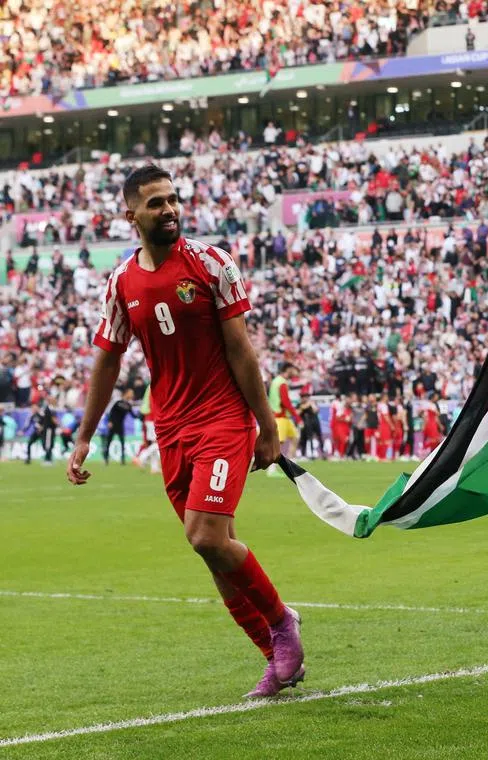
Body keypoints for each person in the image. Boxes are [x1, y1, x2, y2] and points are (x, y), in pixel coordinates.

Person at [66, 164, 305, 699]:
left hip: (222, 418)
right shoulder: (121, 282)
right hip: (171, 430)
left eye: (173, 199)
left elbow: (242, 351)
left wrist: (266, 427)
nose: (169, 209)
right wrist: (85, 435)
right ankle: (275, 657)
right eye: (155, 203)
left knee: (205, 536)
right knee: (214, 552)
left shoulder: (211, 262)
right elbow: (106, 362)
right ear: (131, 215)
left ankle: (284, 623)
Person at [268, 363, 302, 468]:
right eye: (293, 369)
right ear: (288, 369)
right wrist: (297, 417)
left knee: (295, 437)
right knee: (279, 443)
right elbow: (285, 402)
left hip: (281, 416)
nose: (295, 372)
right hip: (280, 416)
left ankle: (291, 464)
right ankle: (271, 468)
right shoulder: (282, 383)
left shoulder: (275, 381)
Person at [103, 389, 137, 465]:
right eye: (131, 393)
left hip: (120, 426)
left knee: (122, 442)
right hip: (113, 424)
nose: (132, 395)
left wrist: (142, 415)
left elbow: (133, 415)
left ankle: (122, 460)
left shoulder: (128, 405)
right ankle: (106, 459)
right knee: (109, 442)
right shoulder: (118, 402)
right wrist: (110, 421)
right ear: (126, 393)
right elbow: (111, 412)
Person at [25, 400, 56, 465]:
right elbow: (28, 425)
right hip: (36, 432)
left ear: (37, 408)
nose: (33, 410)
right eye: (32, 408)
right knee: (29, 443)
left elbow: (46, 422)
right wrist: (23, 431)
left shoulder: (42, 414)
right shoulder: (32, 416)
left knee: (45, 445)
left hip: (43, 432)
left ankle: (48, 458)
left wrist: (42, 428)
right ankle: (28, 458)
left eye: (34, 408)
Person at [298, 395, 325, 460]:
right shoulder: (300, 405)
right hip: (305, 424)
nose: (305, 398)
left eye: (306, 397)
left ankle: (323, 453)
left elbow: (316, 410)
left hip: (315, 422)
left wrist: (312, 405)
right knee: (306, 439)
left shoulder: (312, 403)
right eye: (303, 397)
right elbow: (298, 412)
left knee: (319, 437)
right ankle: (308, 454)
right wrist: (303, 407)